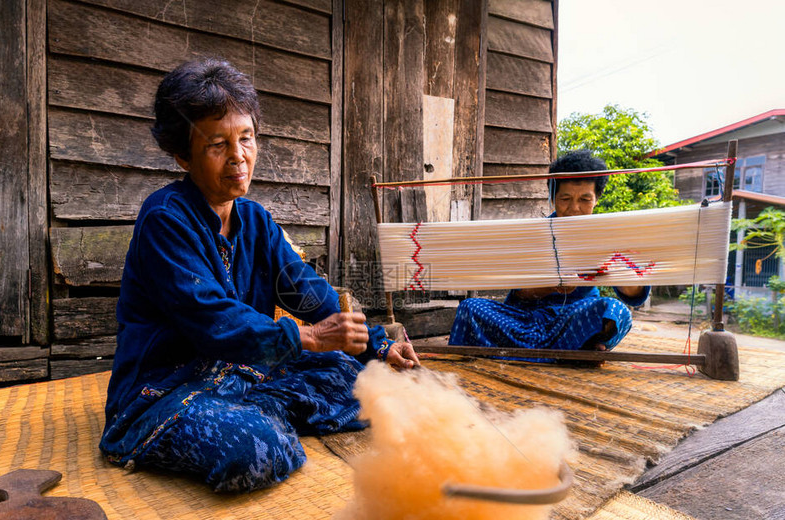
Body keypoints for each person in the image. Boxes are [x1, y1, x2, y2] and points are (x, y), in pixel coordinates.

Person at [100, 59, 419, 493]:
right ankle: (250, 419)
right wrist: (308, 338)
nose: (238, 157)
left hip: (244, 373)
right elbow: (214, 319)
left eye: (246, 138)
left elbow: (306, 291)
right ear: (182, 155)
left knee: (361, 380)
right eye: (218, 144)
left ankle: (253, 408)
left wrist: (379, 347)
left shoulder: (254, 220)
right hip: (167, 390)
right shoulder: (164, 219)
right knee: (257, 449)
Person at [448, 150, 650, 358]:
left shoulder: (608, 236)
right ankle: (575, 352)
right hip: (525, 319)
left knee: (617, 312)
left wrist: (618, 272)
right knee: (470, 308)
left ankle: (552, 349)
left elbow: (634, 296)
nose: (574, 208)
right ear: (553, 198)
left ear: (597, 198)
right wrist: (553, 285)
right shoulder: (535, 233)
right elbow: (520, 292)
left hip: (574, 319)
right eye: (565, 198)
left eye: (584, 199)